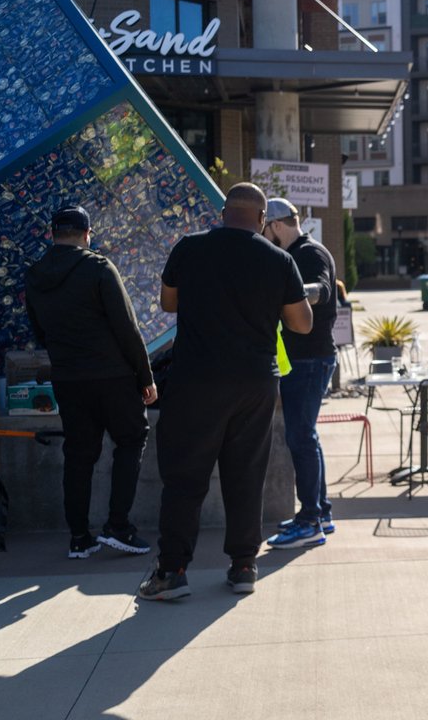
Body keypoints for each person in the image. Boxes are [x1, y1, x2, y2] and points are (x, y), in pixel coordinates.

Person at [139, 184, 312, 600]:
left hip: (195, 380)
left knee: (184, 477)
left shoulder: (189, 248)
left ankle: (172, 572)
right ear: (261, 218)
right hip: (255, 383)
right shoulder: (279, 259)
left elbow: (168, 303)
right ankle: (243, 567)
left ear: (223, 213)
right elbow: (301, 323)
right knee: (246, 475)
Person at [25, 206, 157, 559]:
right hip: (112, 376)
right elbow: (127, 328)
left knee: (79, 455)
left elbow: (40, 330)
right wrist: (145, 376)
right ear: (87, 234)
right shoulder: (98, 268)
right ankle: (118, 526)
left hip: (68, 378)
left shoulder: (35, 275)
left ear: (53, 235)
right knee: (131, 440)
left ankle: (79, 538)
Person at [262, 198, 338, 549]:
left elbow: (321, 290)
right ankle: (319, 511)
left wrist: (290, 292)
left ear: (277, 225)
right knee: (305, 436)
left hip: (310, 360)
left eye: (266, 229)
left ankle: (309, 521)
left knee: (300, 437)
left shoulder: (310, 254)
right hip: (305, 360)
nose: (265, 237)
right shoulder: (297, 254)